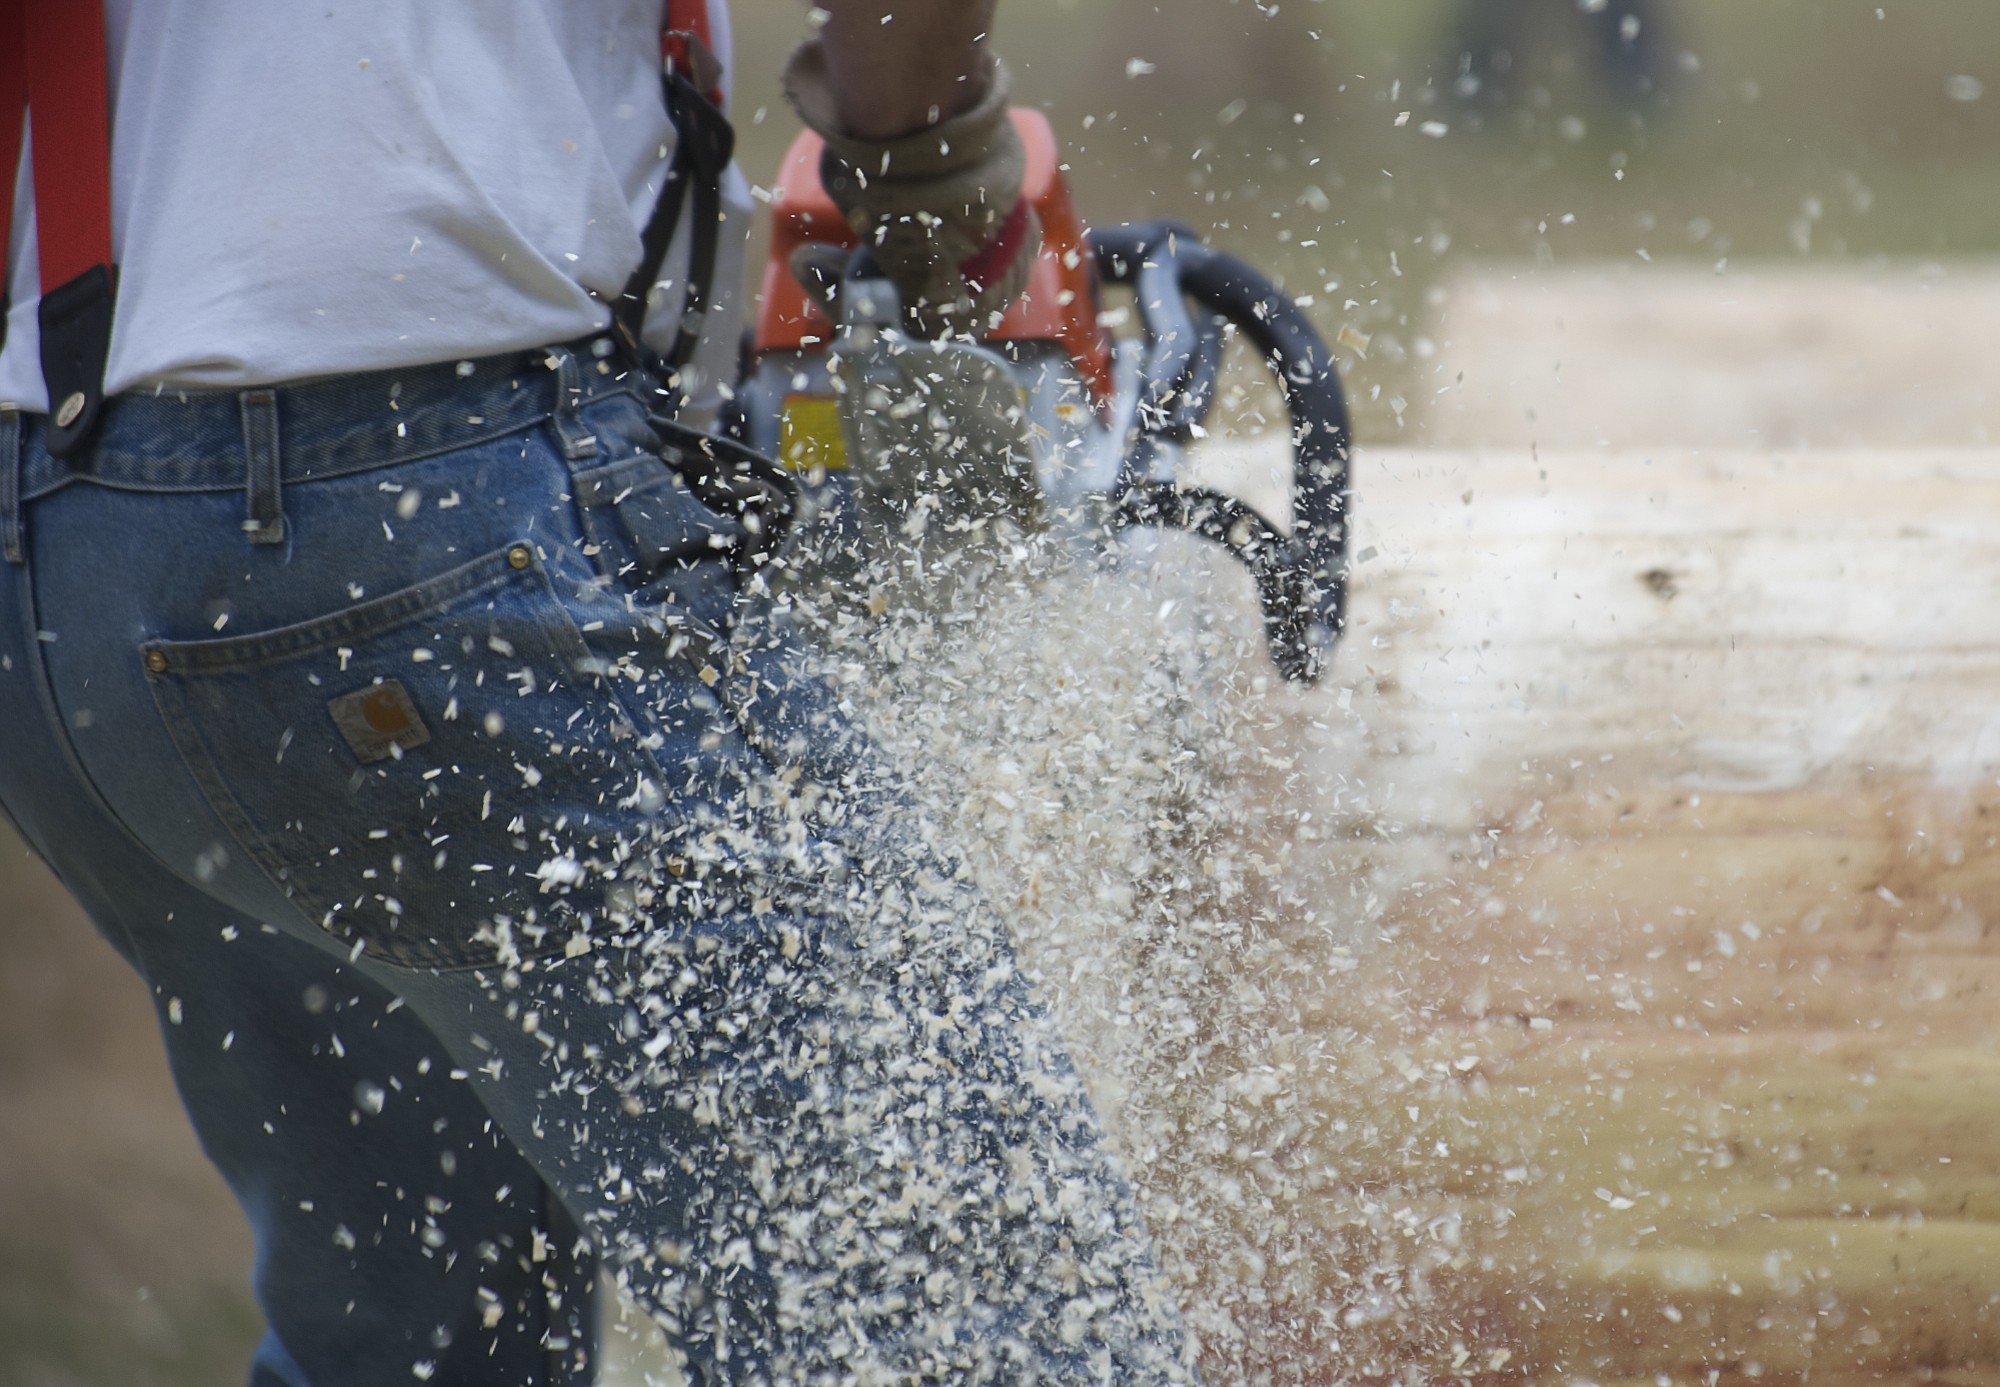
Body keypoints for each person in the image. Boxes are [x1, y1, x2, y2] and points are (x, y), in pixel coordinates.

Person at [0, 3, 1195, 1384]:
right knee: (986, 1323)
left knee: (427, 1354)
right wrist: (935, 184)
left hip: (60, 582)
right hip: (420, 526)